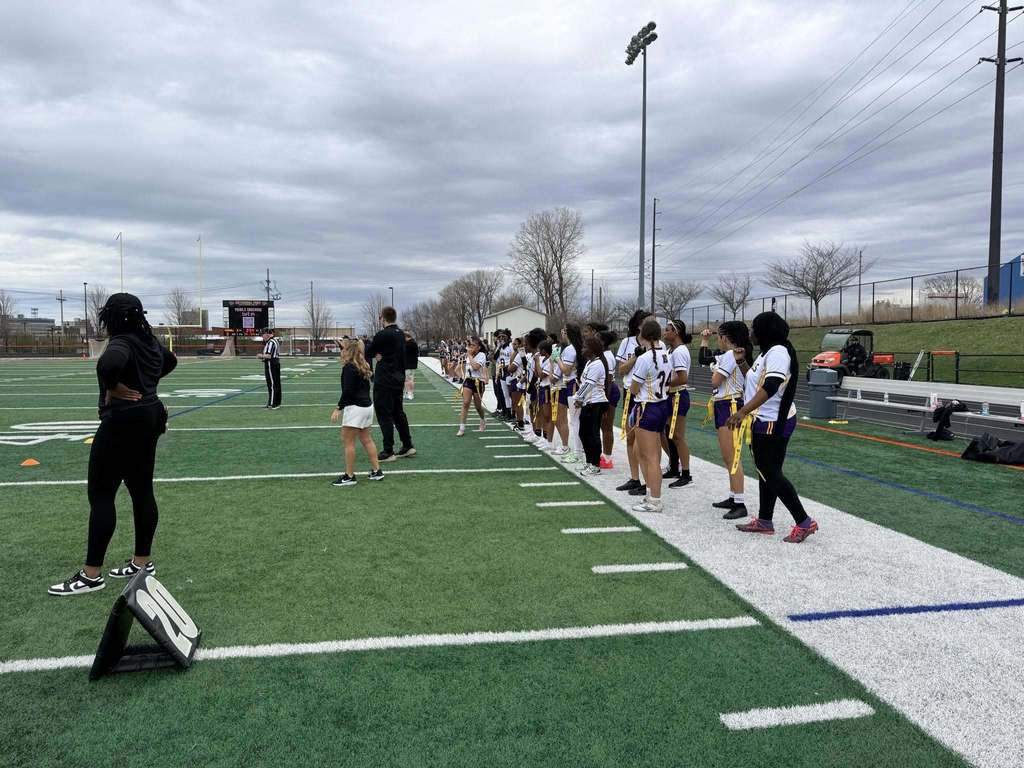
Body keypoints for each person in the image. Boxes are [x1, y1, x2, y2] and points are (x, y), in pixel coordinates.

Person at [49, 293, 177, 596]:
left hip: (123, 422)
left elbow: (108, 365)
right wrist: (147, 385)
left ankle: (91, 574)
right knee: (142, 489)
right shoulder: (147, 340)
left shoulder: (121, 342)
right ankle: (142, 563)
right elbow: (170, 360)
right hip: (150, 416)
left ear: (113, 317)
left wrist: (114, 387)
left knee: (102, 494)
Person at [727, 312, 818, 543]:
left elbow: (771, 386)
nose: (751, 333)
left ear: (765, 331)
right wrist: (741, 362)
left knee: (770, 471)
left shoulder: (777, 352)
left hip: (772, 420)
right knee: (766, 471)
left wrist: (743, 411)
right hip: (765, 418)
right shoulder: (768, 352)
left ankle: (804, 521)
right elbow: (756, 381)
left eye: (754, 328)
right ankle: (765, 520)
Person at [701, 322, 751, 519]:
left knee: (732, 456)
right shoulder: (729, 355)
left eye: (720, 336)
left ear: (726, 338)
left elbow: (715, 380)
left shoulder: (731, 355)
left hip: (730, 404)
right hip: (723, 403)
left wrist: (716, 367)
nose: (718, 340)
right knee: (727, 455)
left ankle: (740, 502)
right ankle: (733, 496)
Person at [627, 319, 674, 513]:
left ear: (643, 336)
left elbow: (634, 387)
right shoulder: (666, 354)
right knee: (643, 453)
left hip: (647, 406)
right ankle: (650, 494)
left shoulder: (645, 358)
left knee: (651, 457)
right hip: (661, 404)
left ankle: (654, 499)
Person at [330, 339, 384, 486]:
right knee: (367, 440)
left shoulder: (349, 367)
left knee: (348, 442)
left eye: (343, 349)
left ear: (348, 352)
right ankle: (376, 471)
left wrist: (338, 408)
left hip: (355, 408)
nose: (341, 352)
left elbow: (347, 391)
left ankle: (349, 476)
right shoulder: (362, 365)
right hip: (367, 407)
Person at [365, 306, 415, 462]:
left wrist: (379, 355)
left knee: (384, 414)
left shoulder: (382, 334)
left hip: (385, 379)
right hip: (398, 378)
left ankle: (388, 451)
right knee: (398, 413)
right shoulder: (401, 334)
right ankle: (407, 445)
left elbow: (368, 352)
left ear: (382, 317)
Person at [615, 309, 653, 497]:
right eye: (649, 321)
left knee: (647, 440)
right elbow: (621, 370)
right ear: (639, 325)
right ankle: (635, 478)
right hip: (631, 393)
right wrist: (636, 357)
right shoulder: (627, 342)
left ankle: (648, 481)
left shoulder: (658, 344)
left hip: (650, 397)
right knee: (631, 437)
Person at [662, 320, 694, 489]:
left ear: (677, 332)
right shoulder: (670, 350)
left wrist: (663, 384)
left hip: (678, 395)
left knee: (678, 436)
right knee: (669, 434)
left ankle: (686, 474)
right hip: (670, 395)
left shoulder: (680, 351)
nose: (664, 332)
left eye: (668, 330)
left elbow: (682, 378)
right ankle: (674, 467)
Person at [574, 336, 611, 476]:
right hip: (588, 402)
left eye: (585, 347)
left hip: (596, 402)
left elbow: (589, 385)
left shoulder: (597, 364)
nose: (583, 350)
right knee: (583, 432)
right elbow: (584, 384)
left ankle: (595, 465)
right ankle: (589, 462)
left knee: (592, 433)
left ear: (592, 349)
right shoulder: (591, 363)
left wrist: (578, 397)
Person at [558, 323, 585, 464]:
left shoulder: (570, 349)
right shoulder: (578, 346)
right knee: (577, 420)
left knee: (575, 421)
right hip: (576, 383)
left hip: (572, 384)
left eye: (564, 332)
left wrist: (557, 359)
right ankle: (579, 450)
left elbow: (566, 370)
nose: (562, 334)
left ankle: (577, 452)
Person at [457, 336, 489, 436]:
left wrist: (470, 356)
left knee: (477, 406)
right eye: (470, 345)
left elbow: (475, 367)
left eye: (473, 346)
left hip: (479, 382)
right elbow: (464, 367)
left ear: (479, 347)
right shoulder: (468, 355)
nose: (471, 347)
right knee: (465, 403)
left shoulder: (482, 355)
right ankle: (462, 428)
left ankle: (483, 419)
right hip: (468, 381)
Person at [597, 329, 620, 469]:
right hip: (604, 392)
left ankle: (607, 457)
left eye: (597, 337)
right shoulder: (602, 355)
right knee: (602, 426)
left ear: (603, 342)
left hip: (609, 393)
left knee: (606, 426)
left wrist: (605, 401)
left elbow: (609, 381)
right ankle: (604, 454)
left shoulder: (607, 356)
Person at [258, 328, 282, 409]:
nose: (262, 336)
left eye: (263, 334)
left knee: (272, 384)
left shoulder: (271, 342)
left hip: (271, 364)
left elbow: (269, 356)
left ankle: (272, 403)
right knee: (276, 384)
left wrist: (260, 356)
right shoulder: (274, 341)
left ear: (267, 334)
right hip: (274, 363)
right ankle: (276, 402)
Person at [403, 331, 419, 401]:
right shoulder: (413, 343)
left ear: (406, 337)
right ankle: (408, 393)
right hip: (412, 364)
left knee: (408, 380)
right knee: (410, 379)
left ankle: (410, 393)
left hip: (409, 364)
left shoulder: (410, 344)